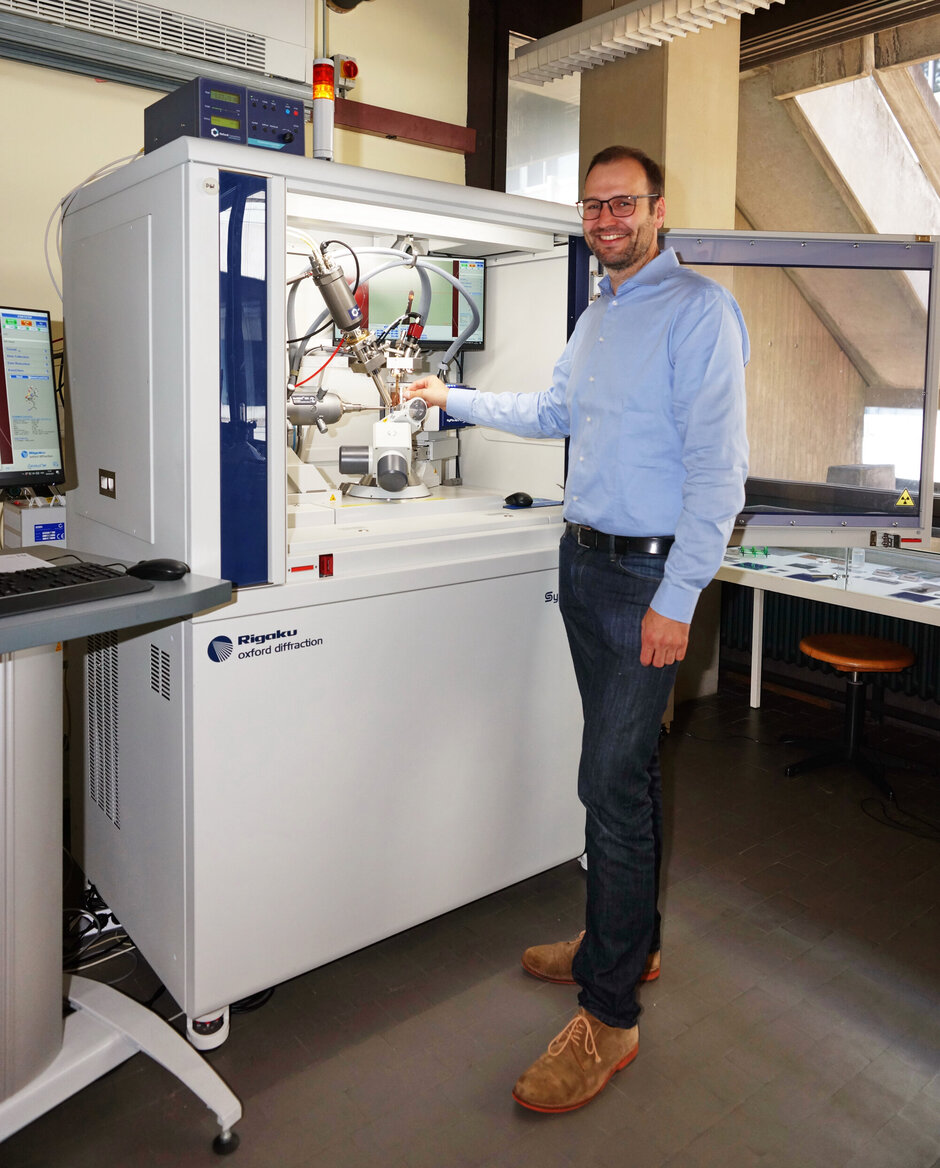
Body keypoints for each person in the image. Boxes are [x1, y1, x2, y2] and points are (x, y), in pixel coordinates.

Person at [405, 145, 749, 1114]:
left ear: (657, 209)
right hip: (586, 558)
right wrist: (453, 398)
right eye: (593, 204)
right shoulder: (599, 312)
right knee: (622, 772)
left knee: (609, 782)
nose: (606, 218)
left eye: (623, 203)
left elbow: (720, 475)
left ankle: (608, 1017)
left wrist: (677, 601)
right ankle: (620, 949)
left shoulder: (698, 313)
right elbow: (556, 407)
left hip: (647, 574)